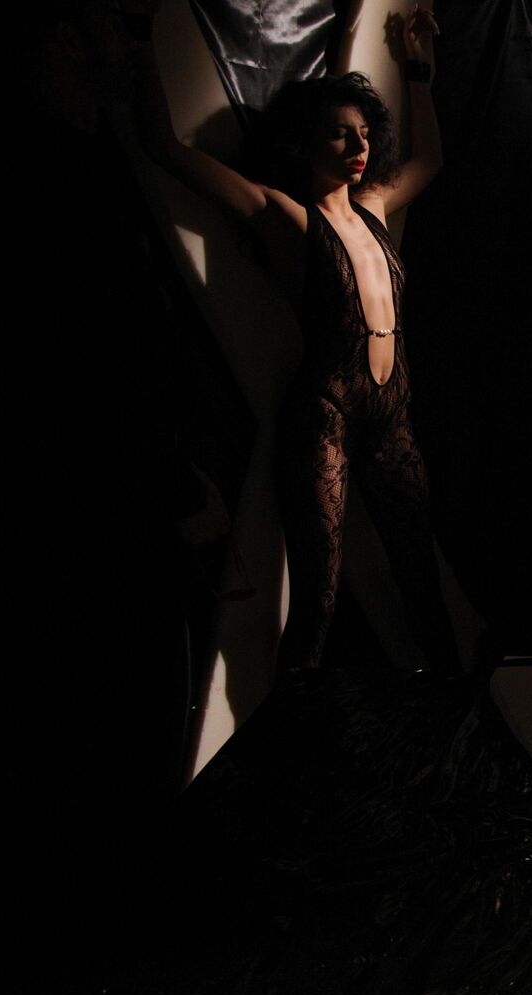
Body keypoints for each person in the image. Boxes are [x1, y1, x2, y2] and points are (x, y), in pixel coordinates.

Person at [126, 2, 461, 674]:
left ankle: (457, 716)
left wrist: (417, 71)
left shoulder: (376, 205)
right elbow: (166, 148)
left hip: (392, 417)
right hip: (326, 415)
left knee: (422, 582)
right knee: (317, 603)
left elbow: (430, 158)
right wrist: (138, 39)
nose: (358, 147)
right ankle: (291, 729)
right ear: (307, 144)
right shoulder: (285, 216)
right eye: (340, 136)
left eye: (363, 135)